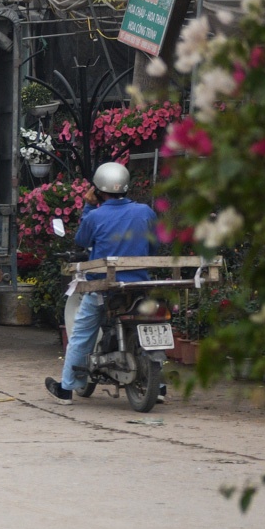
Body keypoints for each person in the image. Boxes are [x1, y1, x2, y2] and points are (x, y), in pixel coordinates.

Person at [46, 162, 157, 402]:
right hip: (139, 285)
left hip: (103, 287)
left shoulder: (95, 215)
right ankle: (158, 386)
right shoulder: (146, 212)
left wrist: (88, 206)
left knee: (82, 334)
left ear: (98, 190)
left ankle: (67, 388)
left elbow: (82, 240)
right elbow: (155, 245)